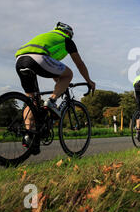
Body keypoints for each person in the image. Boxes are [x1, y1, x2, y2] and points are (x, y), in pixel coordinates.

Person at [15, 22, 96, 153]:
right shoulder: (66, 40)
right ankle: (52, 101)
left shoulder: (49, 36)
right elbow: (79, 64)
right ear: (69, 33)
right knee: (69, 74)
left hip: (20, 59)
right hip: (38, 58)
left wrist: (59, 82)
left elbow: (52, 66)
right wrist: (89, 81)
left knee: (32, 100)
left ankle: (30, 135)